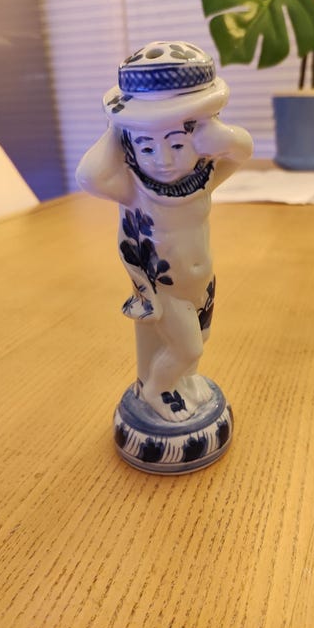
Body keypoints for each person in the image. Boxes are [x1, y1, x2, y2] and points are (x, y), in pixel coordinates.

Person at [76, 41, 252, 422]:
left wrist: (217, 133)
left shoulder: (202, 177)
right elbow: (88, 175)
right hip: (165, 288)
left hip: (201, 279)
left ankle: (182, 382)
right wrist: (119, 126)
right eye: (147, 148)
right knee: (187, 348)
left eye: (178, 143)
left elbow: (242, 151)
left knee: (199, 340)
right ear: (130, 149)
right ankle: (157, 388)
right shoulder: (133, 188)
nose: (165, 160)